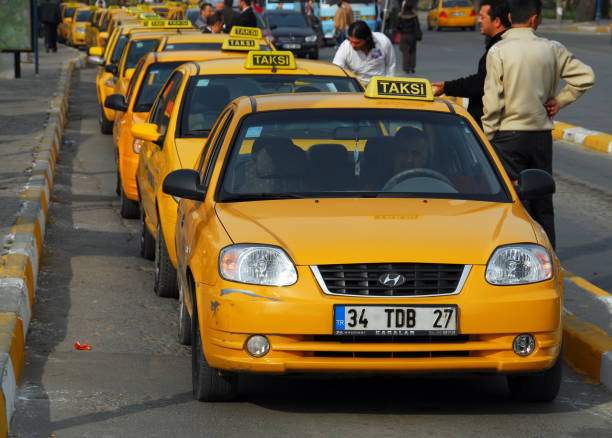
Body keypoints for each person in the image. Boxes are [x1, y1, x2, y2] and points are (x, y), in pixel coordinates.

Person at [481, 0, 595, 248]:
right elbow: (586, 77)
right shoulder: (553, 48)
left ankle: (518, 255)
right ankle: (548, 256)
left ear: (509, 18)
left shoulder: (498, 51)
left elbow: (492, 101)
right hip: (540, 136)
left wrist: (486, 137)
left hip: (507, 138)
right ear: (535, 19)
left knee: (513, 202)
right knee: (542, 201)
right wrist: (560, 101)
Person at [432, 0, 509, 127]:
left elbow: (481, 83)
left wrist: (447, 87)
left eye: (483, 17)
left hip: (493, 125)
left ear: (497, 21)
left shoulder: (499, 48)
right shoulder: (498, 44)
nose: (479, 21)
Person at [333, 20, 397, 86]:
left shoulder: (383, 41)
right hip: (357, 87)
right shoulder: (345, 46)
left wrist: (389, 86)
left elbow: (390, 66)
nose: (353, 46)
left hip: (380, 85)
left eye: (357, 43)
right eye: (351, 41)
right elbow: (337, 69)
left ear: (367, 38)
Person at [395, 1, 422, 74]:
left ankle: (406, 68)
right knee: (413, 51)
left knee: (405, 52)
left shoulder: (401, 15)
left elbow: (397, 26)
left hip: (404, 36)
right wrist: (419, 35)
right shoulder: (414, 15)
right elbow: (417, 26)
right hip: (412, 36)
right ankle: (412, 67)